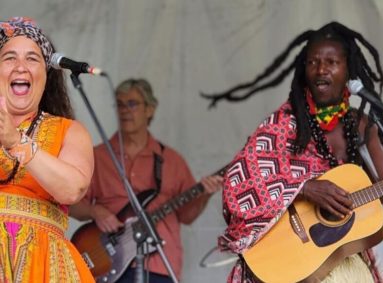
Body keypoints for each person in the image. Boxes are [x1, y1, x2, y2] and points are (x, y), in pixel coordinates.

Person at [202, 22, 383, 282]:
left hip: (342, 259)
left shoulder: (362, 125)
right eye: (313, 62)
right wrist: (304, 188)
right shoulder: (282, 125)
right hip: (287, 260)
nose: (321, 70)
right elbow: (238, 180)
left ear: (349, 69)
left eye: (331, 62)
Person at [70, 78, 223, 283]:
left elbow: (187, 216)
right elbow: (71, 204)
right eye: (120, 104)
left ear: (150, 109)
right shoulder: (97, 156)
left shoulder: (172, 160)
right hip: (107, 263)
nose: (125, 110)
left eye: (132, 104)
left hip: (160, 264)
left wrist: (205, 194)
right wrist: (95, 211)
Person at [0, 17, 95, 282]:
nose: (21, 67)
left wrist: (15, 142)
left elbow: (72, 189)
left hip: (43, 265)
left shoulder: (70, 131)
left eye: (32, 58)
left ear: (46, 73)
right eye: (9, 58)